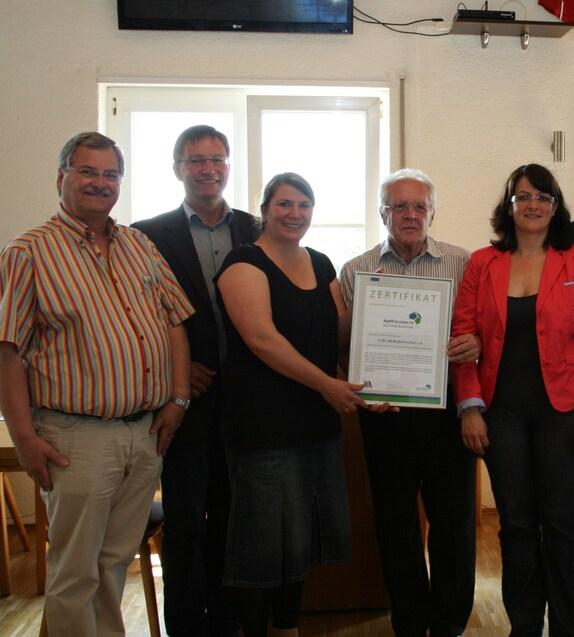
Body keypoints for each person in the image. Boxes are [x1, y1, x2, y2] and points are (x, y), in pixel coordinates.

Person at [0, 132, 193, 636]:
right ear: (61, 177)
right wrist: (23, 438)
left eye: (110, 174)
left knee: (114, 564)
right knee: (74, 572)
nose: (100, 183)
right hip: (74, 437)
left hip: (144, 432)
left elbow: (174, 321)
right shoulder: (28, 253)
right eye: (88, 172)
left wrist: (178, 397)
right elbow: (8, 351)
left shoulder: (138, 244)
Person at [215, 173, 379, 637]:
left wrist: (376, 301)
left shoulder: (321, 263)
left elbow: (341, 333)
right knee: (262, 544)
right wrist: (327, 384)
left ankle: (287, 629)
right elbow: (263, 340)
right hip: (264, 427)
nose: (294, 214)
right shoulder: (243, 262)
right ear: (265, 210)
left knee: (300, 541)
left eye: (304, 205)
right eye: (284, 204)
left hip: (316, 425)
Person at [452, 163, 574, 636]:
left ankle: (569, 628)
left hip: (564, 414)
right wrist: (470, 406)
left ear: (556, 206)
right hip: (500, 415)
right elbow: (463, 337)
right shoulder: (483, 263)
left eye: (543, 197)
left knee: (563, 523)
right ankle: (524, 626)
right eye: (524, 197)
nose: (534, 205)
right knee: (516, 526)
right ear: (510, 205)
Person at [339, 168, 479, 637]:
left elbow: (482, 330)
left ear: (433, 212)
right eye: (399, 206)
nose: (410, 215)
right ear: (383, 213)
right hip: (386, 415)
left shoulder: (463, 263)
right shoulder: (355, 270)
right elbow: (346, 347)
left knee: (453, 524)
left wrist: (473, 342)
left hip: (447, 412)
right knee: (395, 524)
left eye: (419, 206)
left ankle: (449, 621)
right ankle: (409, 618)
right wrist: (362, 386)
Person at [132, 124, 260, 637]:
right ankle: (185, 624)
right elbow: (136, 317)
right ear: (177, 168)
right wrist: (177, 368)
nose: (208, 168)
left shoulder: (257, 227)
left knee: (236, 518)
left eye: (217, 158)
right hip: (186, 399)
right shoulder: (145, 234)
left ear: (229, 165)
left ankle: (228, 620)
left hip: (249, 400)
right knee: (185, 520)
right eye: (195, 160)